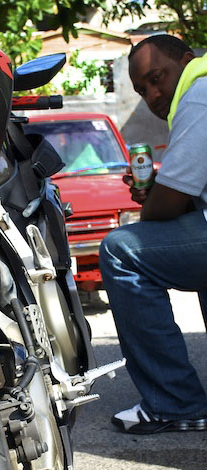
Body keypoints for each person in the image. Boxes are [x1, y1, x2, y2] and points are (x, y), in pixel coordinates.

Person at [99, 34, 207, 434]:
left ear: (186, 59)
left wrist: (155, 201)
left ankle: (175, 403)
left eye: (157, 77)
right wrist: (162, 191)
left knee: (122, 250)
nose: (153, 94)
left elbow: (166, 208)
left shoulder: (198, 94)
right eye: (142, 89)